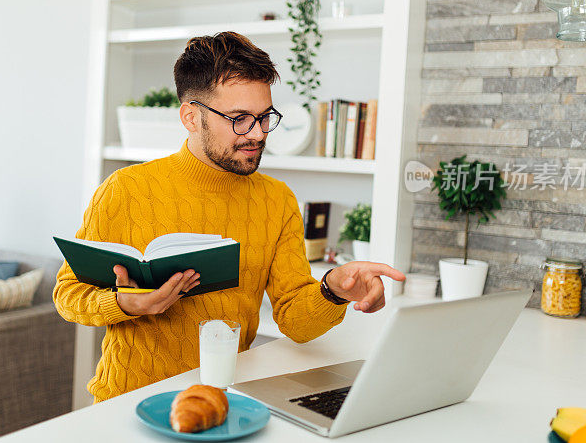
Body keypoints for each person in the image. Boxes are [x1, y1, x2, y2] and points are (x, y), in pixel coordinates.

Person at [54, 31, 406, 402]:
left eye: (265, 116)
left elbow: (294, 321)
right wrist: (125, 304)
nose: (256, 133)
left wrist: (332, 289)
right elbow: (68, 294)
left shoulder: (277, 199)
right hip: (129, 404)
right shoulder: (126, 189)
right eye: (239, 119)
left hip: (226, 399)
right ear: (191, 116)